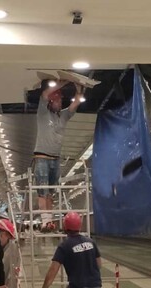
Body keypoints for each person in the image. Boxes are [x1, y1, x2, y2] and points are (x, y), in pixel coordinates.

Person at [34, 80, 84, 232]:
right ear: (51, 101)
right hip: (42, 157)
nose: (61, 102)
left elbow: (75, 104)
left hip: (55, 159)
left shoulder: (63, 116)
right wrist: (63, 82)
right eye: (58, 100)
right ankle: (44, 221)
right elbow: (44, 93)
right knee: (43, 190)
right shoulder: (43, 113)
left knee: (50, 192)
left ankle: (49, 222)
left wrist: (79, 91)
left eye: (61, 100)